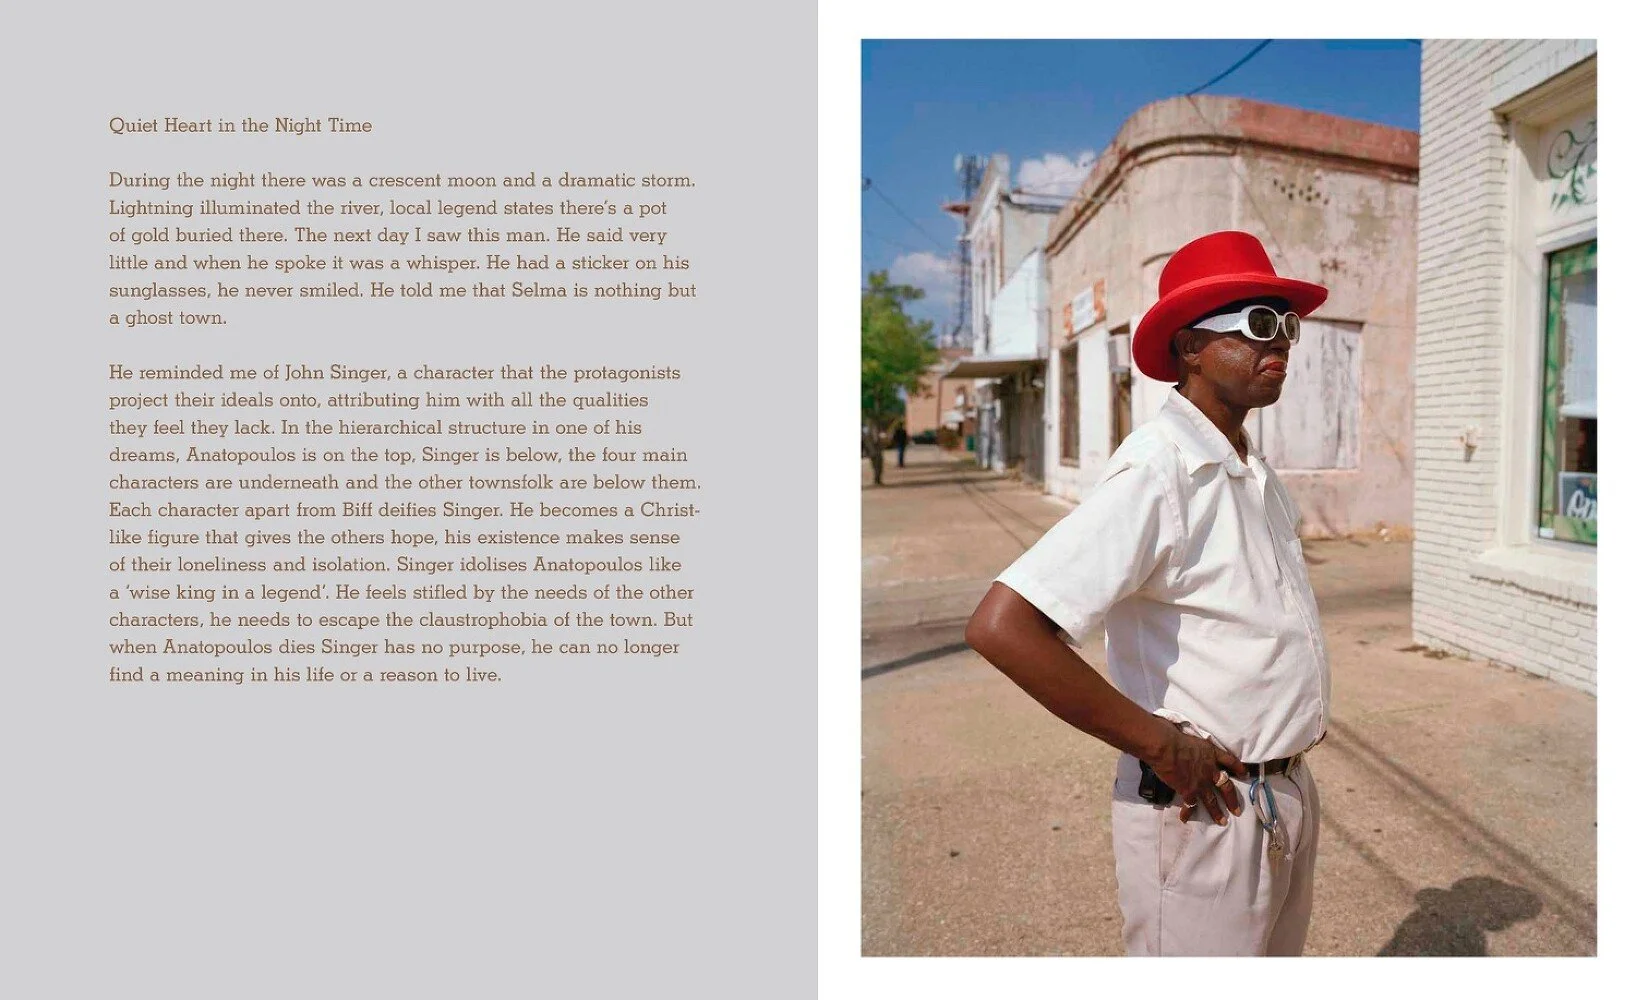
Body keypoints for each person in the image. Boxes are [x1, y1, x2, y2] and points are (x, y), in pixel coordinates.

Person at [964, 230, 1331, 956]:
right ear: (1190, 346)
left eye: (1287, 325)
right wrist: (1160, 744)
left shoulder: (1248, 469)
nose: (1280, 344)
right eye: (1258, 325)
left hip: (1282, 790)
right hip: (1207, 811)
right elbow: (1003, 626)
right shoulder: (1158, 472)